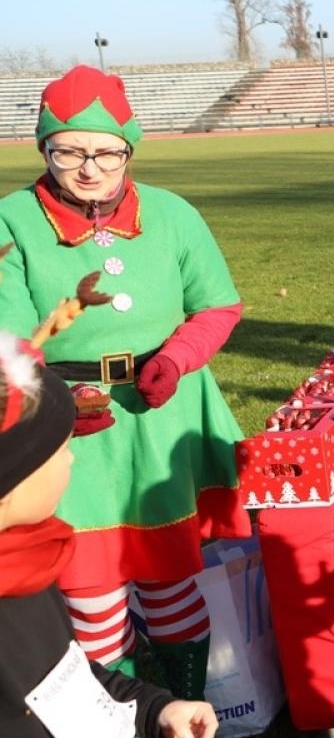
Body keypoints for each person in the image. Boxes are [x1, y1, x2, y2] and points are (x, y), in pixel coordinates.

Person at [0, 66, 250, 701]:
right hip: (66, 434)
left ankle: (189, 721)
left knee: (170, 579)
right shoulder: (11, 223)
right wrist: (53, 402)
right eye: (69, 151)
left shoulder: (172, 214)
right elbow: (7, 341)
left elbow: (216, 306)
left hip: (158, 415)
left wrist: (178, 357)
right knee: (91, 591)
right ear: (44, 148)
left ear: (129, 149)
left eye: (107, 152)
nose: (90, 168)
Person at [1, 311, 219, 738]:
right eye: (57, 450)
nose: (72, 461)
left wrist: (151, 708)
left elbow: (59, 679)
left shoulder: (26, 559)